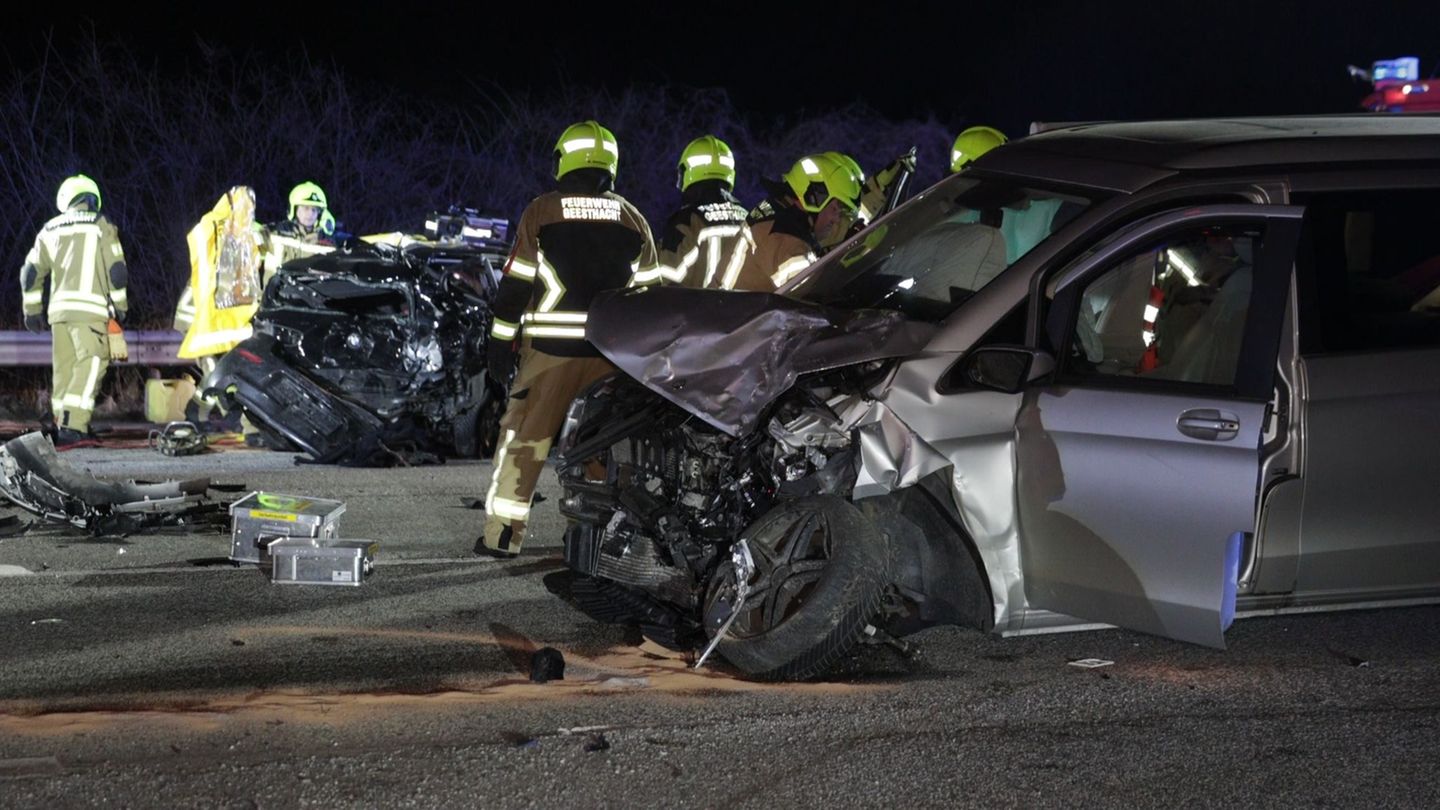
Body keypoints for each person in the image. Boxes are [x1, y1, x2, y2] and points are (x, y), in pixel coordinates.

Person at [478, 120, 659, 557]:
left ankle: (503, 537)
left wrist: (499, 344)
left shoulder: (542, 211)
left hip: (549, 357)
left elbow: (516, 286)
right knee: (599, 450)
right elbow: (652, 299)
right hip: (610, 359)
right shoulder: (633, 218)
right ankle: (591, 541)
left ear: (565, 160)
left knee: (524, 442)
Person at [19, 174, 129, 446]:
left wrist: (31, 310)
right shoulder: (100, 224)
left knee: (65, 370)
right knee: (93, 361)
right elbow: (117, 271)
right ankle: (73, 424)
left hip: (59, 313)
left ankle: (61, 423)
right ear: (92, 199)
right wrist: (120, 306)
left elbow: (30, 273)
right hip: (90, 311)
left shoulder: (49, 229)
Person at [175, 186, 269, 430]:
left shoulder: (250, 234)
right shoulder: (211, 227)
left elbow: (262, 254)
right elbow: (200, 243)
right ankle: (225, 413)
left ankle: (200, 412)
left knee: (224, 371)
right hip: (202, 317)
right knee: (216, 370)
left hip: (227, 319)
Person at [729, 153, 861, 291]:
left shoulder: (781, 212)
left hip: (732, 302)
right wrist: (849, 260)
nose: (837, 219)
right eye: (835, 209)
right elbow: (812, 289)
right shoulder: (782, 235)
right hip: (731, 305)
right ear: (814, 198)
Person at [653, 135, 754, 289]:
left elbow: (666, 285)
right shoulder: (750, 219)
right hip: (748, 306)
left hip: (698, 306)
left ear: (687, 172)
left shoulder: (687, 221)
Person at [266, 181, 337, 272]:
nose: (310, 214)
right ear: (294, 209)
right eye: (306, 208)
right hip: (278, 281)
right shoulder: (278, 232)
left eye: (314, 210)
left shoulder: (327, 241)